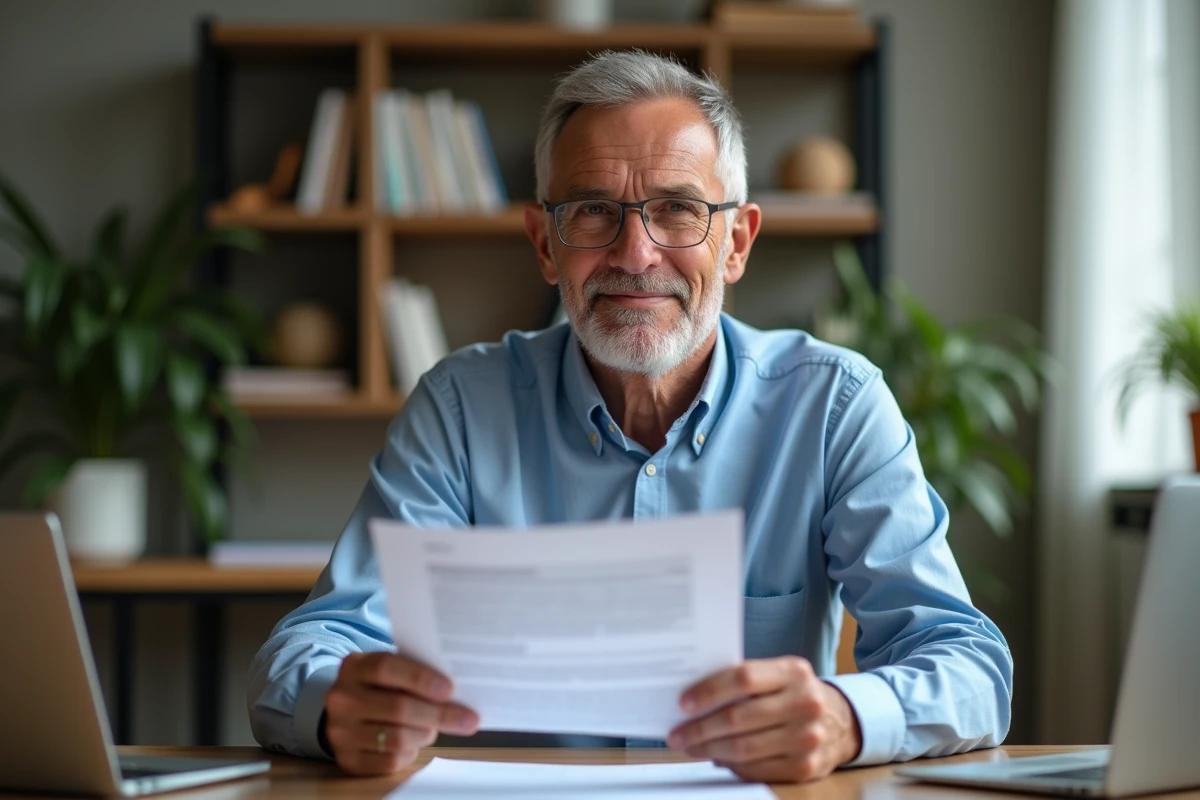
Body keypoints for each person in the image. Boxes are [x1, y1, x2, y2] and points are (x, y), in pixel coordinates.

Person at [247, 50, 1012, 784]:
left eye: (679, 210)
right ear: (545, 245)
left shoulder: (834, 405)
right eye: (592, 212)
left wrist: (846, 716)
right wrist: (335, 705)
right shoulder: (459, 410)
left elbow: (967, 663)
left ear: (736, 242)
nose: (636, 253)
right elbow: (307, 649)